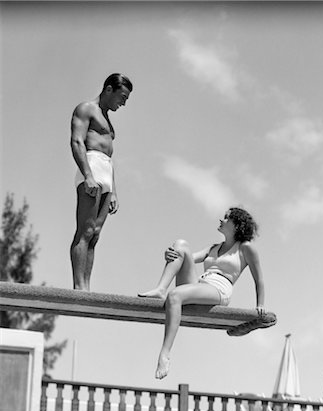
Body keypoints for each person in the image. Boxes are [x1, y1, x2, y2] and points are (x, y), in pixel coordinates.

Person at [138, 207, 265, 380]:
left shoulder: (245, 248)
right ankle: (161, 288)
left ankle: (164, 354)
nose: (222, 219)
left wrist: (260, 305)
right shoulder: (214, 247)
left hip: (219, 289)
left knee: (175, 296)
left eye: (227, 218)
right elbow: (185, 257)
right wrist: (170, 254)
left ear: (236, 225)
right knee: (180, 245)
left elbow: (259, 280)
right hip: (200, 284)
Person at [70, 73, 133, 290]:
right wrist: (88, 175)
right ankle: (79, 287)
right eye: (122, 97)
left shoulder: (108, 120)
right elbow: (77, 141)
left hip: (105, 170)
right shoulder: (86, 109)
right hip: (92, 166)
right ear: (108, 89)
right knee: (85, 230)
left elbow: (110, 158)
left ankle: (87, 286)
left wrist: (114, 191)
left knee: (95, 234)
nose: (123, 103)